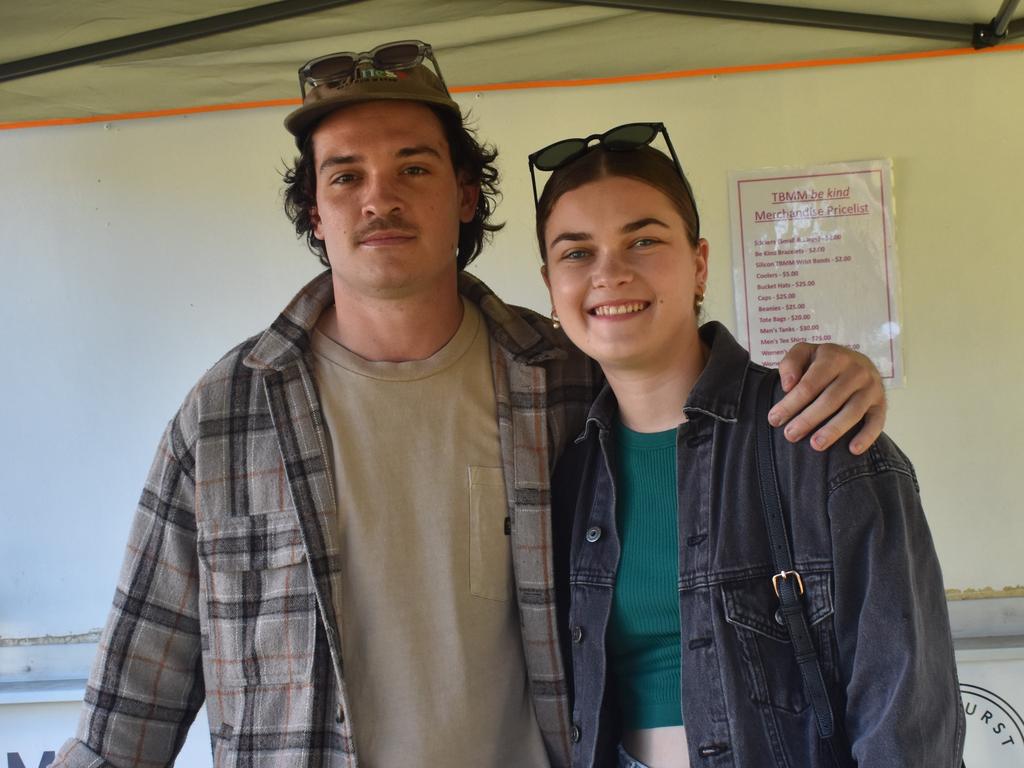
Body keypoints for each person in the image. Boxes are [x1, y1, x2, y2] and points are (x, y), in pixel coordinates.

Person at [53, 44, 887, 768]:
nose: (380, 198)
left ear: (462, 192)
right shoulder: (226, 414)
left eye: (414, 167)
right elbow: (134, 693)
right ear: (316, 207)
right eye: (346, 175)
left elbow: (690, 391)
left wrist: (827, 373)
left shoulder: (565, 379)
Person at [537, 124, 965, 768]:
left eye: (644, 240)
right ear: (550, 284)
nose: (610, 274)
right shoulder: (565, 471)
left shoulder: (818, 438)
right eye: (577, 253)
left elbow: (907, 708)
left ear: (700, 262)